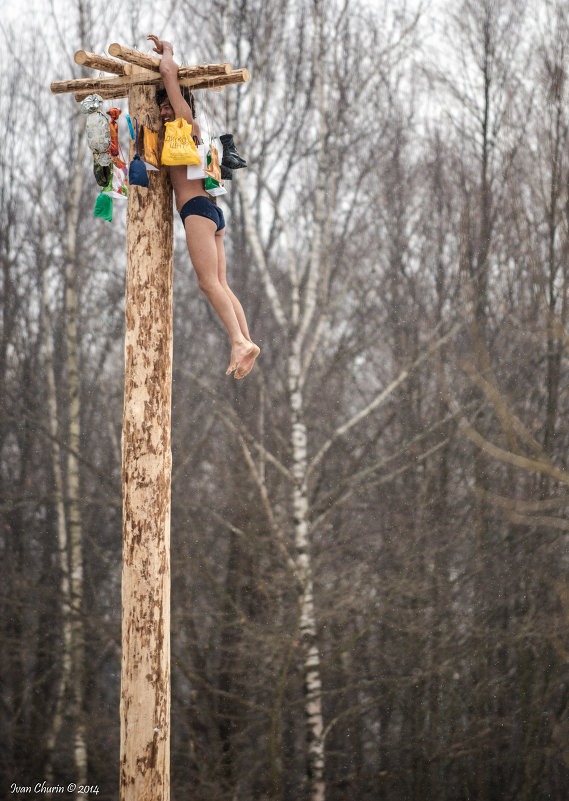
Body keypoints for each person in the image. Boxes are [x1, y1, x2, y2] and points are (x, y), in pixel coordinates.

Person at [147, 35, 259, 379]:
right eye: (161, 106)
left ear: (183, 105)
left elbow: (169, 75)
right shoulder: (179, 134)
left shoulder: (186, 124)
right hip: (212, 213)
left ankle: (238, 341)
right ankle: (245, 342)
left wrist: (167, 53)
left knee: (207, 283)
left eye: (168, 105)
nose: (165, 110)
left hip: (197, 209)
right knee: (221, 283)